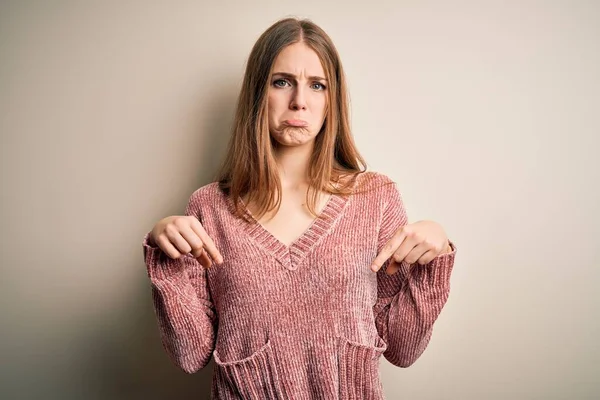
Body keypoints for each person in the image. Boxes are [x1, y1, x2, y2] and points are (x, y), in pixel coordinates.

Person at [142, 17, 456, 399]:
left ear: (331, 100)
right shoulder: (209, 207)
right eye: (282, 82)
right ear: (259, 93)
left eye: (317, 85)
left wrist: (434, 257)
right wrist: (167, 254)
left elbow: (403, 350)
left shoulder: (376, 198)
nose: (299, 101)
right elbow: (190, 355)